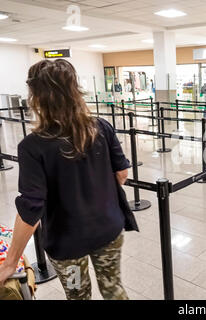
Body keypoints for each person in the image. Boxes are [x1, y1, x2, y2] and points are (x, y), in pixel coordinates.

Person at [0, 59, 131, 300]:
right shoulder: (101, 127)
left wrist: (11, 262)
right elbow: (121, 173)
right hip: (108, 230)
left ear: (36, 97)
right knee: (114, 289)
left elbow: (31, 209)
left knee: (78, 296)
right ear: (75, 90)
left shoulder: (33, 146)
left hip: (66, 242)